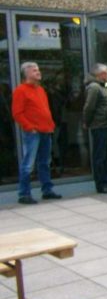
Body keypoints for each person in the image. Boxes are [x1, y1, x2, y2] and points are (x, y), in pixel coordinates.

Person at [12, 62, 61, 204]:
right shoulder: (21, 91)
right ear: (26, 73)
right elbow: (17, 113)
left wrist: (50, 124)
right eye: (34, 70)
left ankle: (47, 190)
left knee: (45, 162)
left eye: (38, 69)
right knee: (28, 164)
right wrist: (29, 127)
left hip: (45, 130)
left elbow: (45, 109)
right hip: (33, 132)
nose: (38, 72)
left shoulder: (40, 90)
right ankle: (24, 194)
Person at [83, 63, 107, 194]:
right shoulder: (94, 87)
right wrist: (86, 122)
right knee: (100, 155)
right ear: (99, 74)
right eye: (105, 73)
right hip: (99, 125)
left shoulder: (103, 85)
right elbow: (89, 107)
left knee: (106, 155)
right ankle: (101, 183)